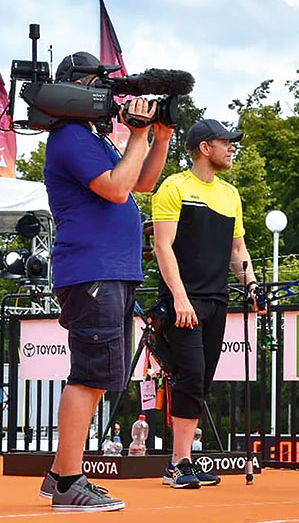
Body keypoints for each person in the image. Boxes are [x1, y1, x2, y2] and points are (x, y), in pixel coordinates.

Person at [39, 51, 172, 512]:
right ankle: (69, 482)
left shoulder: (91, 137)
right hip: (93, 271)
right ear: (78, 87)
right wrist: (135, 135)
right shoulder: (70, 137)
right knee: (89, 377)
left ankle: (59, 472)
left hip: (109, 270)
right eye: (102, 84)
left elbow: (142, 184)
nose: (112, 95)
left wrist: (159, 137)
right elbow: (115, 188)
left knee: (99, 376)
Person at [152, 118, 264, 489]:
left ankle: (184, 459)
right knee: (190, 376)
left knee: (202, 379)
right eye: (226, 142)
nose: (232, 148)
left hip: (217, 300)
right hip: (183, 301)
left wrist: (251, 285)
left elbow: (237, 250)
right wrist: (180, 297)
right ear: (204, 148)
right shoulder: (174, 187)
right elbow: (162, 246)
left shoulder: (230, 194)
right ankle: (177, 463)